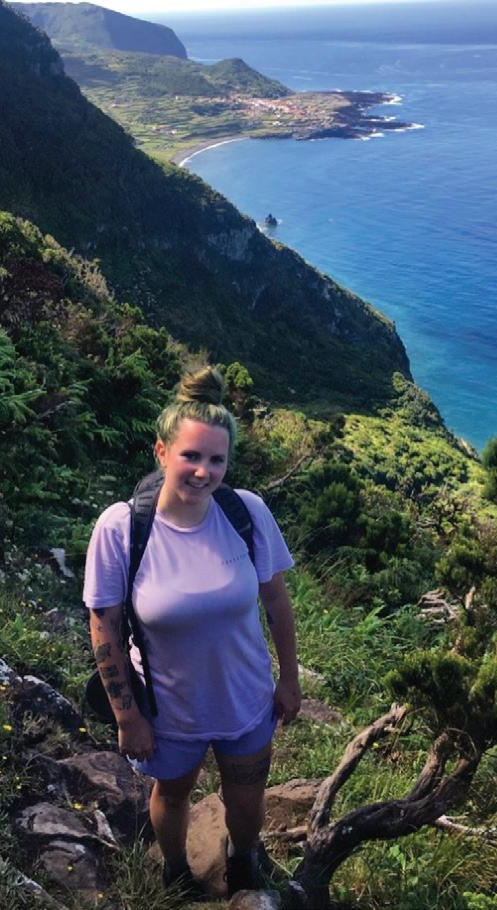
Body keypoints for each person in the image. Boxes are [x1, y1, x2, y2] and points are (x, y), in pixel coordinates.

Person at [83, 367, 301, 899]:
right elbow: (103, 625)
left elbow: (276, 601)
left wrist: (290, 679)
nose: (204, 471)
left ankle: (243, 859)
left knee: (246, 798)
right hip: (169, 710)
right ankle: (176, 871)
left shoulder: (246, 513)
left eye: (216, 460)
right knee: (174, 793)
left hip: (245, 698)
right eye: (191, 456)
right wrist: (127, 716)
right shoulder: (122, 528)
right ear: (162, 452)